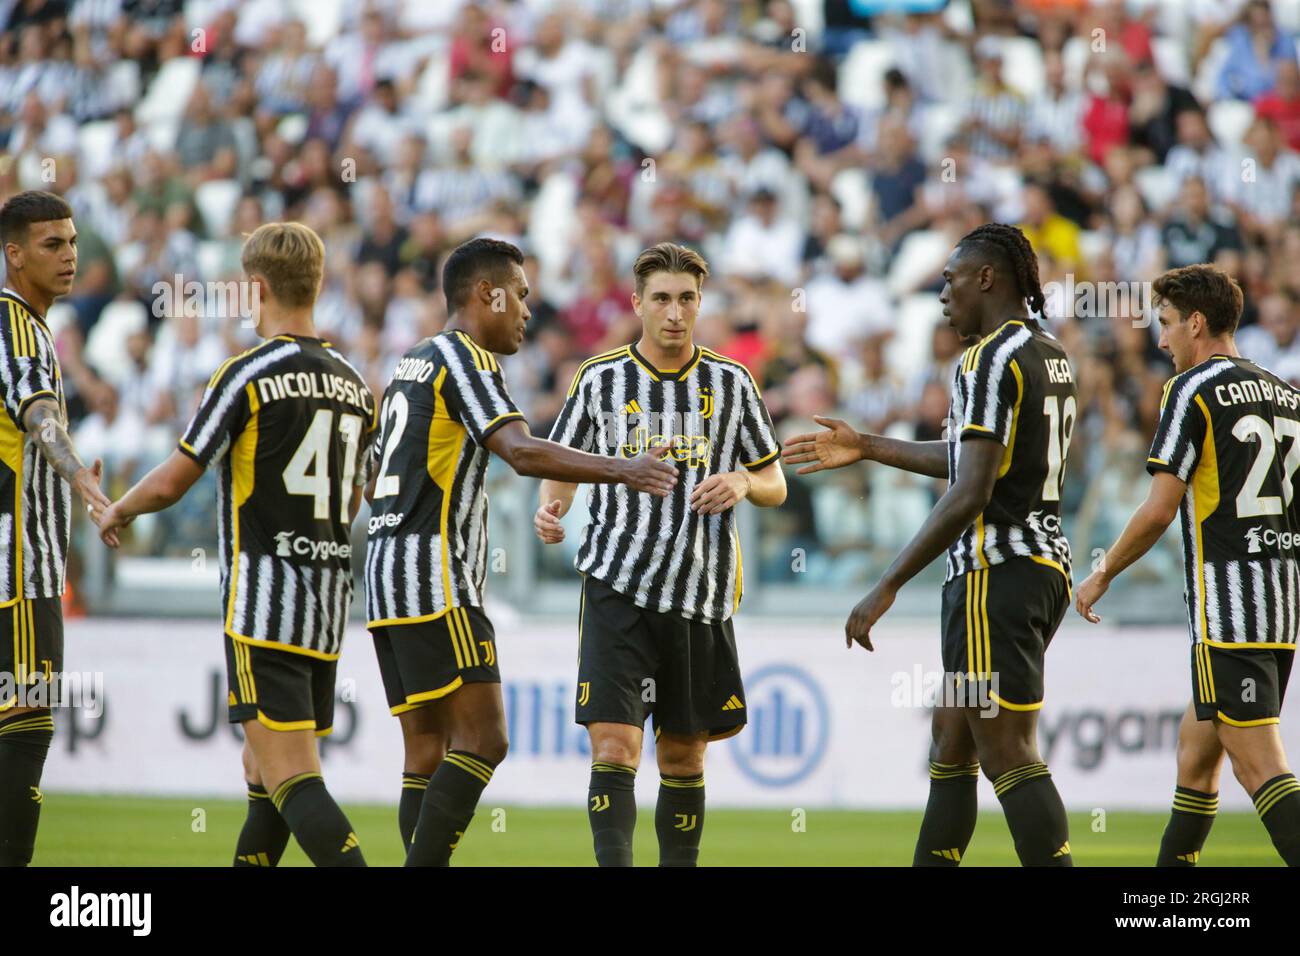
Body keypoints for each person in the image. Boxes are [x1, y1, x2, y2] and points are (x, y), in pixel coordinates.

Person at [365, 237, 678, 866]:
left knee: (426, 751)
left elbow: (373, 480)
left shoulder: (410, 363)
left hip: (383, 573)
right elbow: (523, 451)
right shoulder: (467, 360)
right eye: (523, 296)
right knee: (485, 739)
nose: (528, 312)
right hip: (435, 574)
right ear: (489, 293)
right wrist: (627, 469)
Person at [784, 223, 1078, 867]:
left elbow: (970, 490)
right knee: (951, 736)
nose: (941, 295)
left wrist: (886, 582)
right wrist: (867, 445)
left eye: (949, 280)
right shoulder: (1048, 352)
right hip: (1041, 565)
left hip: (992, 572)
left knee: (1007, 751)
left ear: (986, 278)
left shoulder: (983, 359)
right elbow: (973, 457)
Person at [98, 222, 375, 867]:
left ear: (255, 287)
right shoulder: (355, 383)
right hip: (327, 606)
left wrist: (119, 507)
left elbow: (173, 480)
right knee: (263, 772)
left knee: (291, 777)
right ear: (318, 284)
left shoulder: (245, 374)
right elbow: (355, 497)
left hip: (263, 606)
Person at [535, 242, 787, 866]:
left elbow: (775, 482)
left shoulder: (731, 383)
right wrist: (553, 506)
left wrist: (743, 482)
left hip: (700, 596)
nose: (674, 313)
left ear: (700, 303)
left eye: (686, 300)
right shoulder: (600, 378)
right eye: (662, 299)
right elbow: (563, 463)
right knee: (615, 748)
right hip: (616, 586)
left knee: (682, 757)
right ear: (637, 303)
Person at [1077, 264, 1300, 867]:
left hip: (1227, 610)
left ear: (1196, 323)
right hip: (1279, 608)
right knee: (1197, 754)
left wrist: (1102, 572)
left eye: (1168, 324)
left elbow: (1157, 510)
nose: (1160, 339)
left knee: (1260, 766)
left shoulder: (1191, 389)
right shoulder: (1287, 395)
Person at [0, 190, 113, 867]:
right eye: (52, 245)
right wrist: (81, 477)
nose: (69, 255)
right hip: (20, 566)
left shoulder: (31, 325)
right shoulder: (16, 327)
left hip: (22, 561)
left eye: (72, 242)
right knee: (26, 725)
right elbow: (39, 415)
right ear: (13, 254)